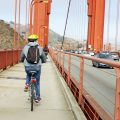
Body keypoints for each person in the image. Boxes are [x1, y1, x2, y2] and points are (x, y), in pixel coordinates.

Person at [20, 34, 46, 103]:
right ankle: (37, 98)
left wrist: (22, 60)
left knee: (28, 75)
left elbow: (22, 57)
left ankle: (27, 84)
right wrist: (43, 61)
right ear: (36, 40)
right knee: (37, 83)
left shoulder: (25, 47)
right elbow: (43, 57)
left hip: (27, 67)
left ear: (28, 40)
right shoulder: (40, 48)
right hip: (37, 67)